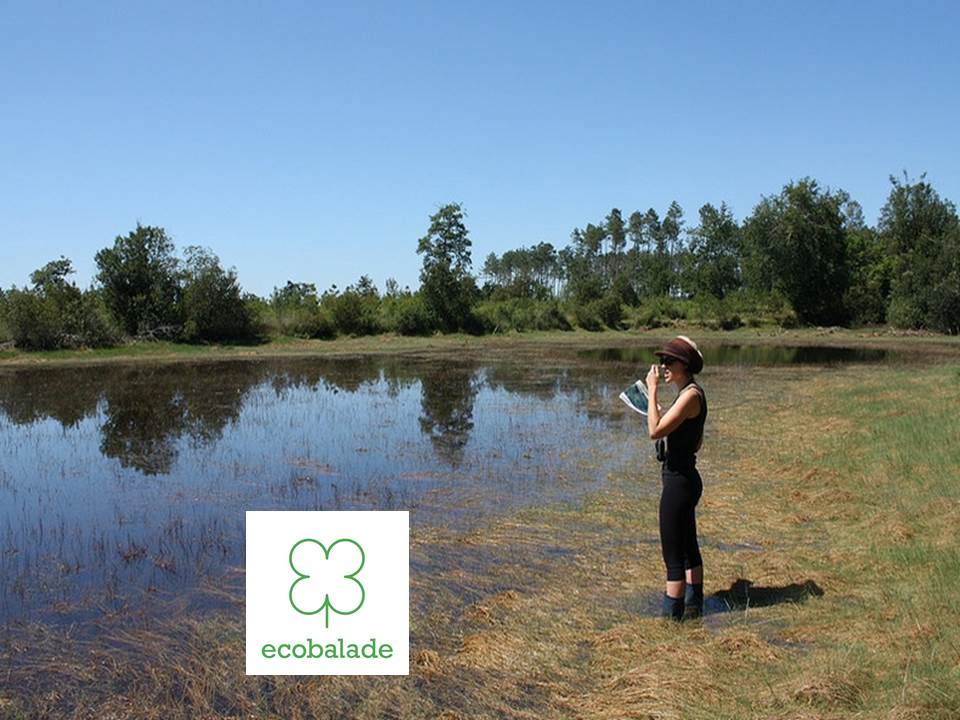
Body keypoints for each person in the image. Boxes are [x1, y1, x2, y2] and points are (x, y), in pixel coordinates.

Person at [645, 335, 707, 621]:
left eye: (669, 361)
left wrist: (653, 390)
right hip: (685, 479)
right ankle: (694, 607)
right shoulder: (691, 394)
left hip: (678, 483)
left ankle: (672, 620)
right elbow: (693, 440)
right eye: (662, 361)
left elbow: (655, 432)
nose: (663, 366)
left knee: (673, 557)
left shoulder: (690, 396)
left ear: (684, 364)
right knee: (688, 547)